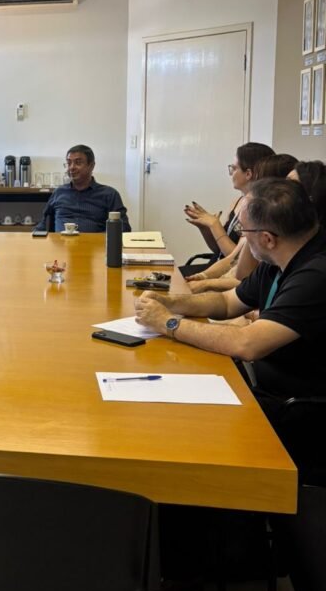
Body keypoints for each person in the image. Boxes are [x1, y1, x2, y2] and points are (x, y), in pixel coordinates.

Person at [135, 178, 326, 419]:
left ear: (267, 238)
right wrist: (170, 302)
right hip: (263, 382)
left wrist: (168, 323)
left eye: (243, 230)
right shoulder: (280, 256)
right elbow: (227, 302)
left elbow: (247, 344)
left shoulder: (315, 276)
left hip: (295, 408)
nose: (241, 236)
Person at [186, 153, 297, 291]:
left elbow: (242, 276)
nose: (254, 183)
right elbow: (232, 259)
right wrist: (203, 277)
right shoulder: (244, 205)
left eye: (258, 178)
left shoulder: (272, 226)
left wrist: (214, 225)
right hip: (225, 278)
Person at [183, 141, 274, 261]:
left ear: (248, 174)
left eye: (234, 168)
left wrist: (215, 225)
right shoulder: (237, 202)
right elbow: (218, 250)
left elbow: (237, 259)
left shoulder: (258, 209)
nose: (231, 173)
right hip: (218, 264)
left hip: (230, 270)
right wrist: (205, 228)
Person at [33, 145, 130, 233]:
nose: (72, 167)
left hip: (95, 245)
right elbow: (44, 223)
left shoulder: (109, 194)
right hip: (62, 244)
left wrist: (99, 239)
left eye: (78, 163)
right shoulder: (59, 192)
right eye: (69, 163)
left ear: (91, 166)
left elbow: (124, 227)